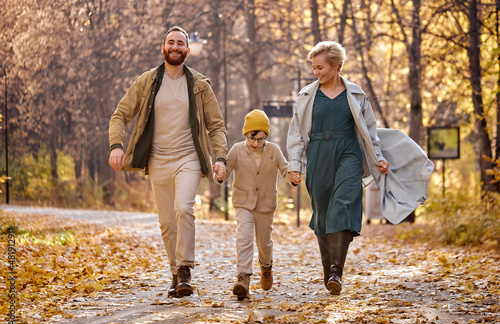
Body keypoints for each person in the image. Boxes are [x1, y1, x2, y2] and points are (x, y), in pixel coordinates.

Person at [108, 26, 228, 298]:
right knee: (167, 222)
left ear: (187, 50)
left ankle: (185, 268)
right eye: (170, 42)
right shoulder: (148, 81)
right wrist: (116, 146)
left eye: (180, 43)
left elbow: (216, 126)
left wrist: (220, 157)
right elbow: (120, 115)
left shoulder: (199, 85)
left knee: (184, 208)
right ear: (163, 48)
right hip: (158, 161)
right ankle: (175, 273)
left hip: (189, 158)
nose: (175, 46)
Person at [286, 41, 389, 295]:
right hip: (318, 153)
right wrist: (295, 165)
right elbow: (297, 133)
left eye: (320, 67)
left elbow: (370, 131)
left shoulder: (356, 94)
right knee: (322, 212)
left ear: (336, 66)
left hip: (349, 152)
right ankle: (328, 268)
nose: (315, 72)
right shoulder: (306, 96)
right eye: (313, 68)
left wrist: (378, 158)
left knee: (342, 204)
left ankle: (337, 272)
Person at [215, 109, 300, 300]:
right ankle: (243, 279)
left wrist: (293, 177)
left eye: (260, 139)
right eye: (252, 138)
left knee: (264, 243)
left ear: (266, 137)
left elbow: (285, 170)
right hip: (243, 202)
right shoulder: (237, 149)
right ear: (246, 134)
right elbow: (225, 171)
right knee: (244, 237)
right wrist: (219, 174)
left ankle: (266, 267)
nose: (255, 143)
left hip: (265, 204)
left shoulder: (273, 150)